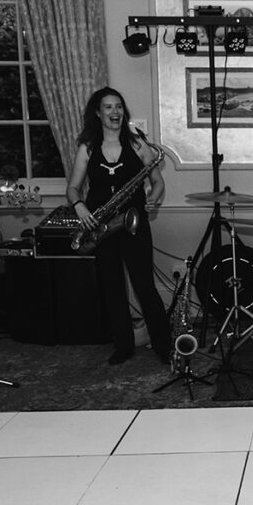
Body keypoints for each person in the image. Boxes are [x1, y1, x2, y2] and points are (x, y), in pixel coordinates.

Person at [66, 87, 171, 366]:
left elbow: (158, 181)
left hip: (133, 221)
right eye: (108, 107)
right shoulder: (88, 147)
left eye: (119, 107)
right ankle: (123, 346)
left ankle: (164, 345)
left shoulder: (137, 144)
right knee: (111, 287)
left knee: (144, 285)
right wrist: (80, 207)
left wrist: (155, 197)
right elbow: (73, 188)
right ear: (98, 113)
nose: (115, 112)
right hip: (100, 225)